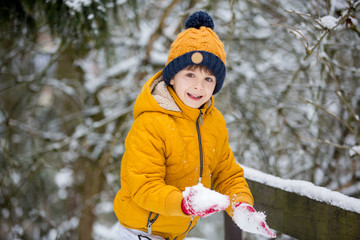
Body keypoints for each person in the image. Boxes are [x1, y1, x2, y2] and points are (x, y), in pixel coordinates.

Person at [113, 11, 276, 240]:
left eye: (208, 79)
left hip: (175, 234)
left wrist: (241, 207)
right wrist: (185, 203)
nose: (198, 87)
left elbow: (225, 173)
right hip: (139, 232)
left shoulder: (213, 121)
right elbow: (145, 187)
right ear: (172, 77)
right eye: (190, 75)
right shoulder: (151, 123)